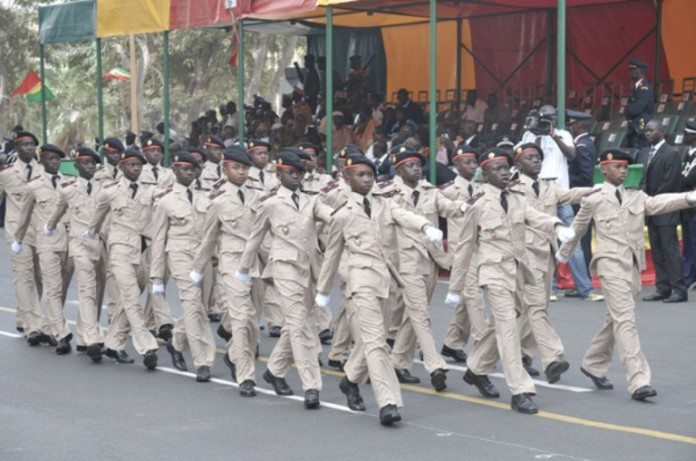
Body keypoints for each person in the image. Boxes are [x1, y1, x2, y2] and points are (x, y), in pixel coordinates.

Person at [557, 148, 696, 401]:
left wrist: (689, 197)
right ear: (604, 169)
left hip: (632, 266)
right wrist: (563, 255)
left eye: (625, 167)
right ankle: (638, 380)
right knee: (626, 321)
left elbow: (658, 203)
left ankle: (592, 363)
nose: (623, 171)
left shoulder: (636, 196)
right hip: (609, 264)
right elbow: (577, 228)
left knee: (615, 320)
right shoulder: (594, 197)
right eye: (617, 167)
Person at [315, 153, 443, 425]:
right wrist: (323, 291)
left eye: (370, 175)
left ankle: (350, 380)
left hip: (386, 283)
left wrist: (426, 226)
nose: (366, 180)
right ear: (347, 178)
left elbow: (404, 215)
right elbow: (333, 254)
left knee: (372, 340)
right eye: (359, 175)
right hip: (360, 283)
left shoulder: (385, 204)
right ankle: (388, 402)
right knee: (376, 344)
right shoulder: (342, 214)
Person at [446, 147, 575, 414]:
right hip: (493, 273)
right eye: (497, 169)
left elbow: (535, 217)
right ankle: (520, 390)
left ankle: (477, 367)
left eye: (506, 168)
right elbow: (465, 247)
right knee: (508, 328)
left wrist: (557, 227)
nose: (504, 173)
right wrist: (455, 287)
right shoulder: (478, 205)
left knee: (505, 323)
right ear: (485, 173)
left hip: (517, 273)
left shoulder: (517, 198)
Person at [237, 150, 333, 410]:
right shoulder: (270, 203)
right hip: (283, 265)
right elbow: (255, 238)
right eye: (291, 172)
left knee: (296, 321)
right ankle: (311, 385)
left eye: (300, 172)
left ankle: (275, 370)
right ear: (279, 173)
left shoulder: (312, 200)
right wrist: (244, 269)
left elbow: (329, 215)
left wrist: (346, 217)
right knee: (299, 323)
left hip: (308, 268)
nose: (296, 176)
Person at [387, 146, 469, 391]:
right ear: (398, 169)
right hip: (404, 261)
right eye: (410, 165)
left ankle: (398, 363)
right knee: (420, 313)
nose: (416, 169)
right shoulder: (388, 194)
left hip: (430, 260)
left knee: (413, 315)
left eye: (418, 165)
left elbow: (450, 207)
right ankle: (434, 363)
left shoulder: (429, 192)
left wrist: (466, 206)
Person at [509, 143, 592, 383]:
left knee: (536, 307)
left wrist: (593, 190)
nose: (536, 161)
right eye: (530, 158)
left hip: (545, 253)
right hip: (525, 254)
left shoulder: (547, 185)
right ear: (518, 164)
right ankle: (552, 358)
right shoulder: (513, 189)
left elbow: (568, 195)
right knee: (536, 307)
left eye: (538, 157)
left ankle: (523, 355)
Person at [87, 149, 161, 369]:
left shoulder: (150, 190)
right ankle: (147, 346)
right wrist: (91, 235)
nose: (136, 169)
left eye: (139, 165)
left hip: (142, 250)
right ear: (121, 167)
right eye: (131, 165)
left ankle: (113, 343)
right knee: (130, 298)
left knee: (127, 299)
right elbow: (96, 218)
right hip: (119, 249)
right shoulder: (110, 191)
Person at [521, 105, 601, 302]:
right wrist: (538, 134)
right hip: (538, 193)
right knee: (542, 241)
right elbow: (526, 156)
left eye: (551, 119)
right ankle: (550, 288)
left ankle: (585, 288)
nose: (548, 122)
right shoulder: (529, 136)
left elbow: (572, 155)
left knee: (572, 241)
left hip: (561, 193)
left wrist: (553, 135)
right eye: (544, 119)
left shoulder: (563, 134)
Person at [150, 151, 216, 383]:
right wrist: (157, 276)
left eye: (193, 169)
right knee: (191, 303)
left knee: (201, 306)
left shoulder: (205, 197)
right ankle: (202, 361)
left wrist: (214, 256)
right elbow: (158, 239)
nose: (190, 173)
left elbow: (211, 232)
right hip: (178, 254)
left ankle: (176, 343)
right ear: (175, 171)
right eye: (185, 169)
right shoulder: (166, 201)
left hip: (202, 256)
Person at [46, 147, 107, 362]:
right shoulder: (67, 188)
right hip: (79, 245)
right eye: (86, 163)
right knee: (87, 289)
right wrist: (50, 227)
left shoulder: (105, 187)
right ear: (76, 165)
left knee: (98, 292)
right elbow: (56, 211)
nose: (90, 167)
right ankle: (91, 339)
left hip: (101, 244)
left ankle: (84, 336)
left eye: (93, 163)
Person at [14, 144, 73, 354]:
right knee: (53, 288)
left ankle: (48, 327)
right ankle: (62, 334)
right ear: (42, 162)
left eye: (57, 159)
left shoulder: (69, 182)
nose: (55, 162)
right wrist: (18, 239)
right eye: (50, 159)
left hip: (69, 242)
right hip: (46, 242)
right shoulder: (34, 187)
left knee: (62, 288)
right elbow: (24, 215)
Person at [439, 145, 486, 363]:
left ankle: (452, 343)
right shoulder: (448, 191)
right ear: (456, 165)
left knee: (467, 301)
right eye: (467, 162)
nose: (472, 166)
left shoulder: (481, 188)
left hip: (479, 247)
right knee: (474, 297)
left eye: (474, 162)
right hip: (460, 251)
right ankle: (482, 345)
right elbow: (435, 211)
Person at [0, 131, 45, 339]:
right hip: (17, 233)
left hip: (41, 231)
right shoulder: (7, 174)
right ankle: (33, 326)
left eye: (31, 144)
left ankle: (22, 315)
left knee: (39, 278)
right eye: (24, 144)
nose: (28, 148)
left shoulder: (43, 171)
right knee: (23, 275)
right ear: (17, 148)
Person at [639, 120, 687, 303]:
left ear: (662, 131)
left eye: (651, 130)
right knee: (658, 250)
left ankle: (679, 289)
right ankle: (663, 287)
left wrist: (650, 199)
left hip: (665, 208)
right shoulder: (644, 153)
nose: (647, 133)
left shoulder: (671, 153)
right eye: (645, 131)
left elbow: (670, 182)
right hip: (651, 210)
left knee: (670, 250)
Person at [567, 110, 597, 271]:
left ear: (578, 126)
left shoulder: (582, 146)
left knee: (582, 237)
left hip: (581, 196)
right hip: (581, 195)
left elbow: (586, 176)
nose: (571, 127)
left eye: (572, 124)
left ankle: (584, 275)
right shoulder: (582, 143)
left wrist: (566, 179)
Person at [680, 121, 696, 288]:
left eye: (687, 133)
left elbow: (690, 178)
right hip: (687, 202)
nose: (684, 135)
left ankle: (689, 275)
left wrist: (681, 180)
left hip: (693, 204)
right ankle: (688, 273)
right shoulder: (688, 154)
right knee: (688, 241)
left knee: (693, 241)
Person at [625, 58, 654, 149]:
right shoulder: (636, 87)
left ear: (639, 71)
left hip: (641, 127)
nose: (630, 72)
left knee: (641, 154)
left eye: (632, 69)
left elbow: (634, 110)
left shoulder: (645, 89)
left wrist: (628, 110)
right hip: (634, 127)